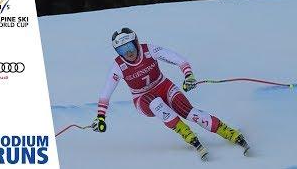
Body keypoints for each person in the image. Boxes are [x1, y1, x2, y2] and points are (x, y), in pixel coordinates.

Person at [91, 27, 249, 160]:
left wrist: (188, 75)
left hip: (163, 86)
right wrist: (100, 117)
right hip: (142, 99)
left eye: (130, 47)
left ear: (136, 42)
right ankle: (187, 134)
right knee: (156, 104)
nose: (128, 53)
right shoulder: (118, 66)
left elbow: (178, 59)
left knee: (191, 113)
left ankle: (230, 132)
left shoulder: (149, 50)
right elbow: (106, 93)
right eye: (122, 50)